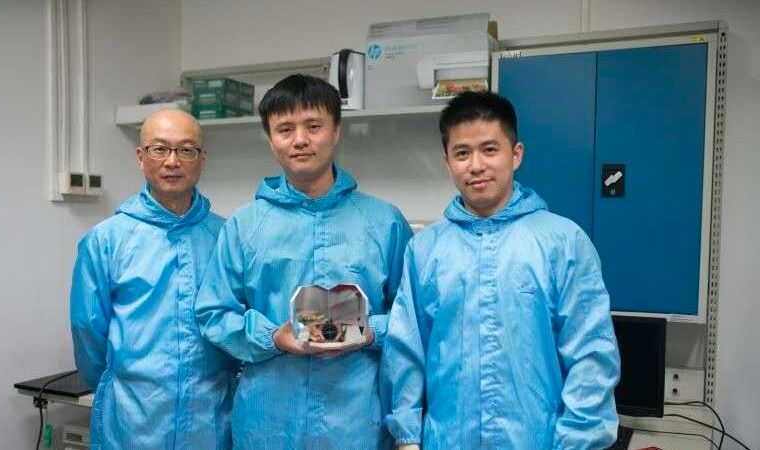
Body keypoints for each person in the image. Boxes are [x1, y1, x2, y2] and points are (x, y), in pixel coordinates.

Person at [382, 91, 620, 450]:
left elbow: (591, 355)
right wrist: (407, 438)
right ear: (447, 162)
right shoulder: (425, 250)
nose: (476, 165)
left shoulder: (563, 242)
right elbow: (406, 350)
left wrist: (578, 442)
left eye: (489, 149)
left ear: (516, 154)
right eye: (462, 153)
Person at [195, 74, 413, 450]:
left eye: (313, 126)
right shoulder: (244, 226)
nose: (300, 140)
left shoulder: (384, 222)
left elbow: (413, 314)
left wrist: (369, 331)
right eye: (285, 129)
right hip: (268, 422)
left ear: (336, 131)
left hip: (357, 423)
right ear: (270, 139)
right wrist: (272, 337)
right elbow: (214, 313)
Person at [70, 109, 234, 449]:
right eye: (159, 149)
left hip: (209, 416)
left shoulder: (225, 237)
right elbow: (88, 331)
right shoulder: (106, 240)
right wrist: (124, 384)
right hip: (132, 419)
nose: (172, 161)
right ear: (140, 156)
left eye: (186, 150)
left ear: (202, 159)